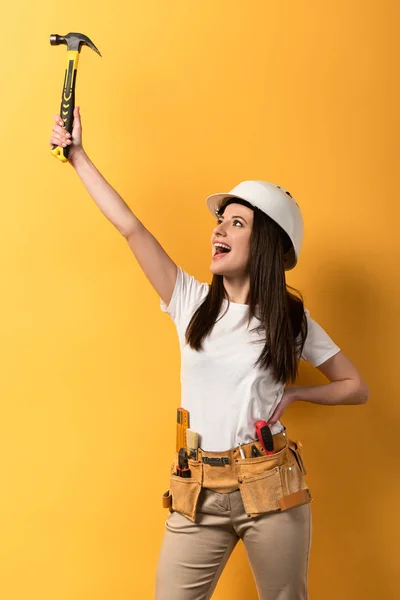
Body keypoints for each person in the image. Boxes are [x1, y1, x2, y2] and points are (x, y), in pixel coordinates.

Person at [49, 108, 369, 600]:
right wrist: (78, 157)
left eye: (235, 223)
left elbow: (355, 387)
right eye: (220, 220)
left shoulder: (290, 320)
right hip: (195, 488)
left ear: (262, 242)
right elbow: (131, 228)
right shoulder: (190, 301)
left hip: (270, 484)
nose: (218, 229)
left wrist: (299, 393)